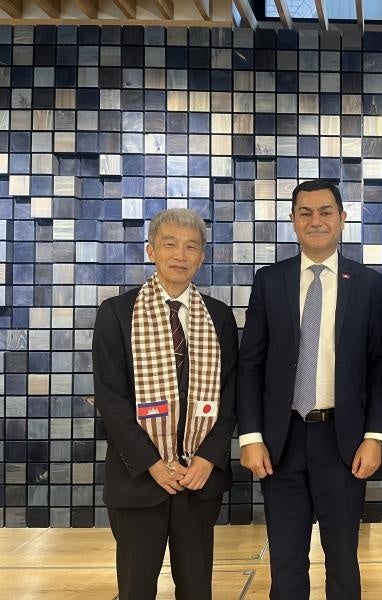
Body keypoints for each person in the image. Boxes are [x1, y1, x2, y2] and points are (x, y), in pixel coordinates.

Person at [236, 179, 382, 599]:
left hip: (343, 441)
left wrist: (375, 436)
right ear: (292, 220)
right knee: (286, 561)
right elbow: (250, 364)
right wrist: (250, 436)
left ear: (342, 218)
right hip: (280, 441)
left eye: (325, 212)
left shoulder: (367, 283)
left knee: (342, 559)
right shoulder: (269, 281)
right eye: (305, 212)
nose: (315, 220)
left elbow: (380, 366)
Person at [92, 208, 238, 600]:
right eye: (170, 244)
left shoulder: (219, 317)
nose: (180, 255)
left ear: (202, 256)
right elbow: (111, 399)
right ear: (151, 250)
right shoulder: (117, 314)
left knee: (196, 588)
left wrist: (207, 459)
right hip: (139, 478)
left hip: (197, 480)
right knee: (136, 589)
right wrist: (153, 464)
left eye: (191, 247)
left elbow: (229, 398)